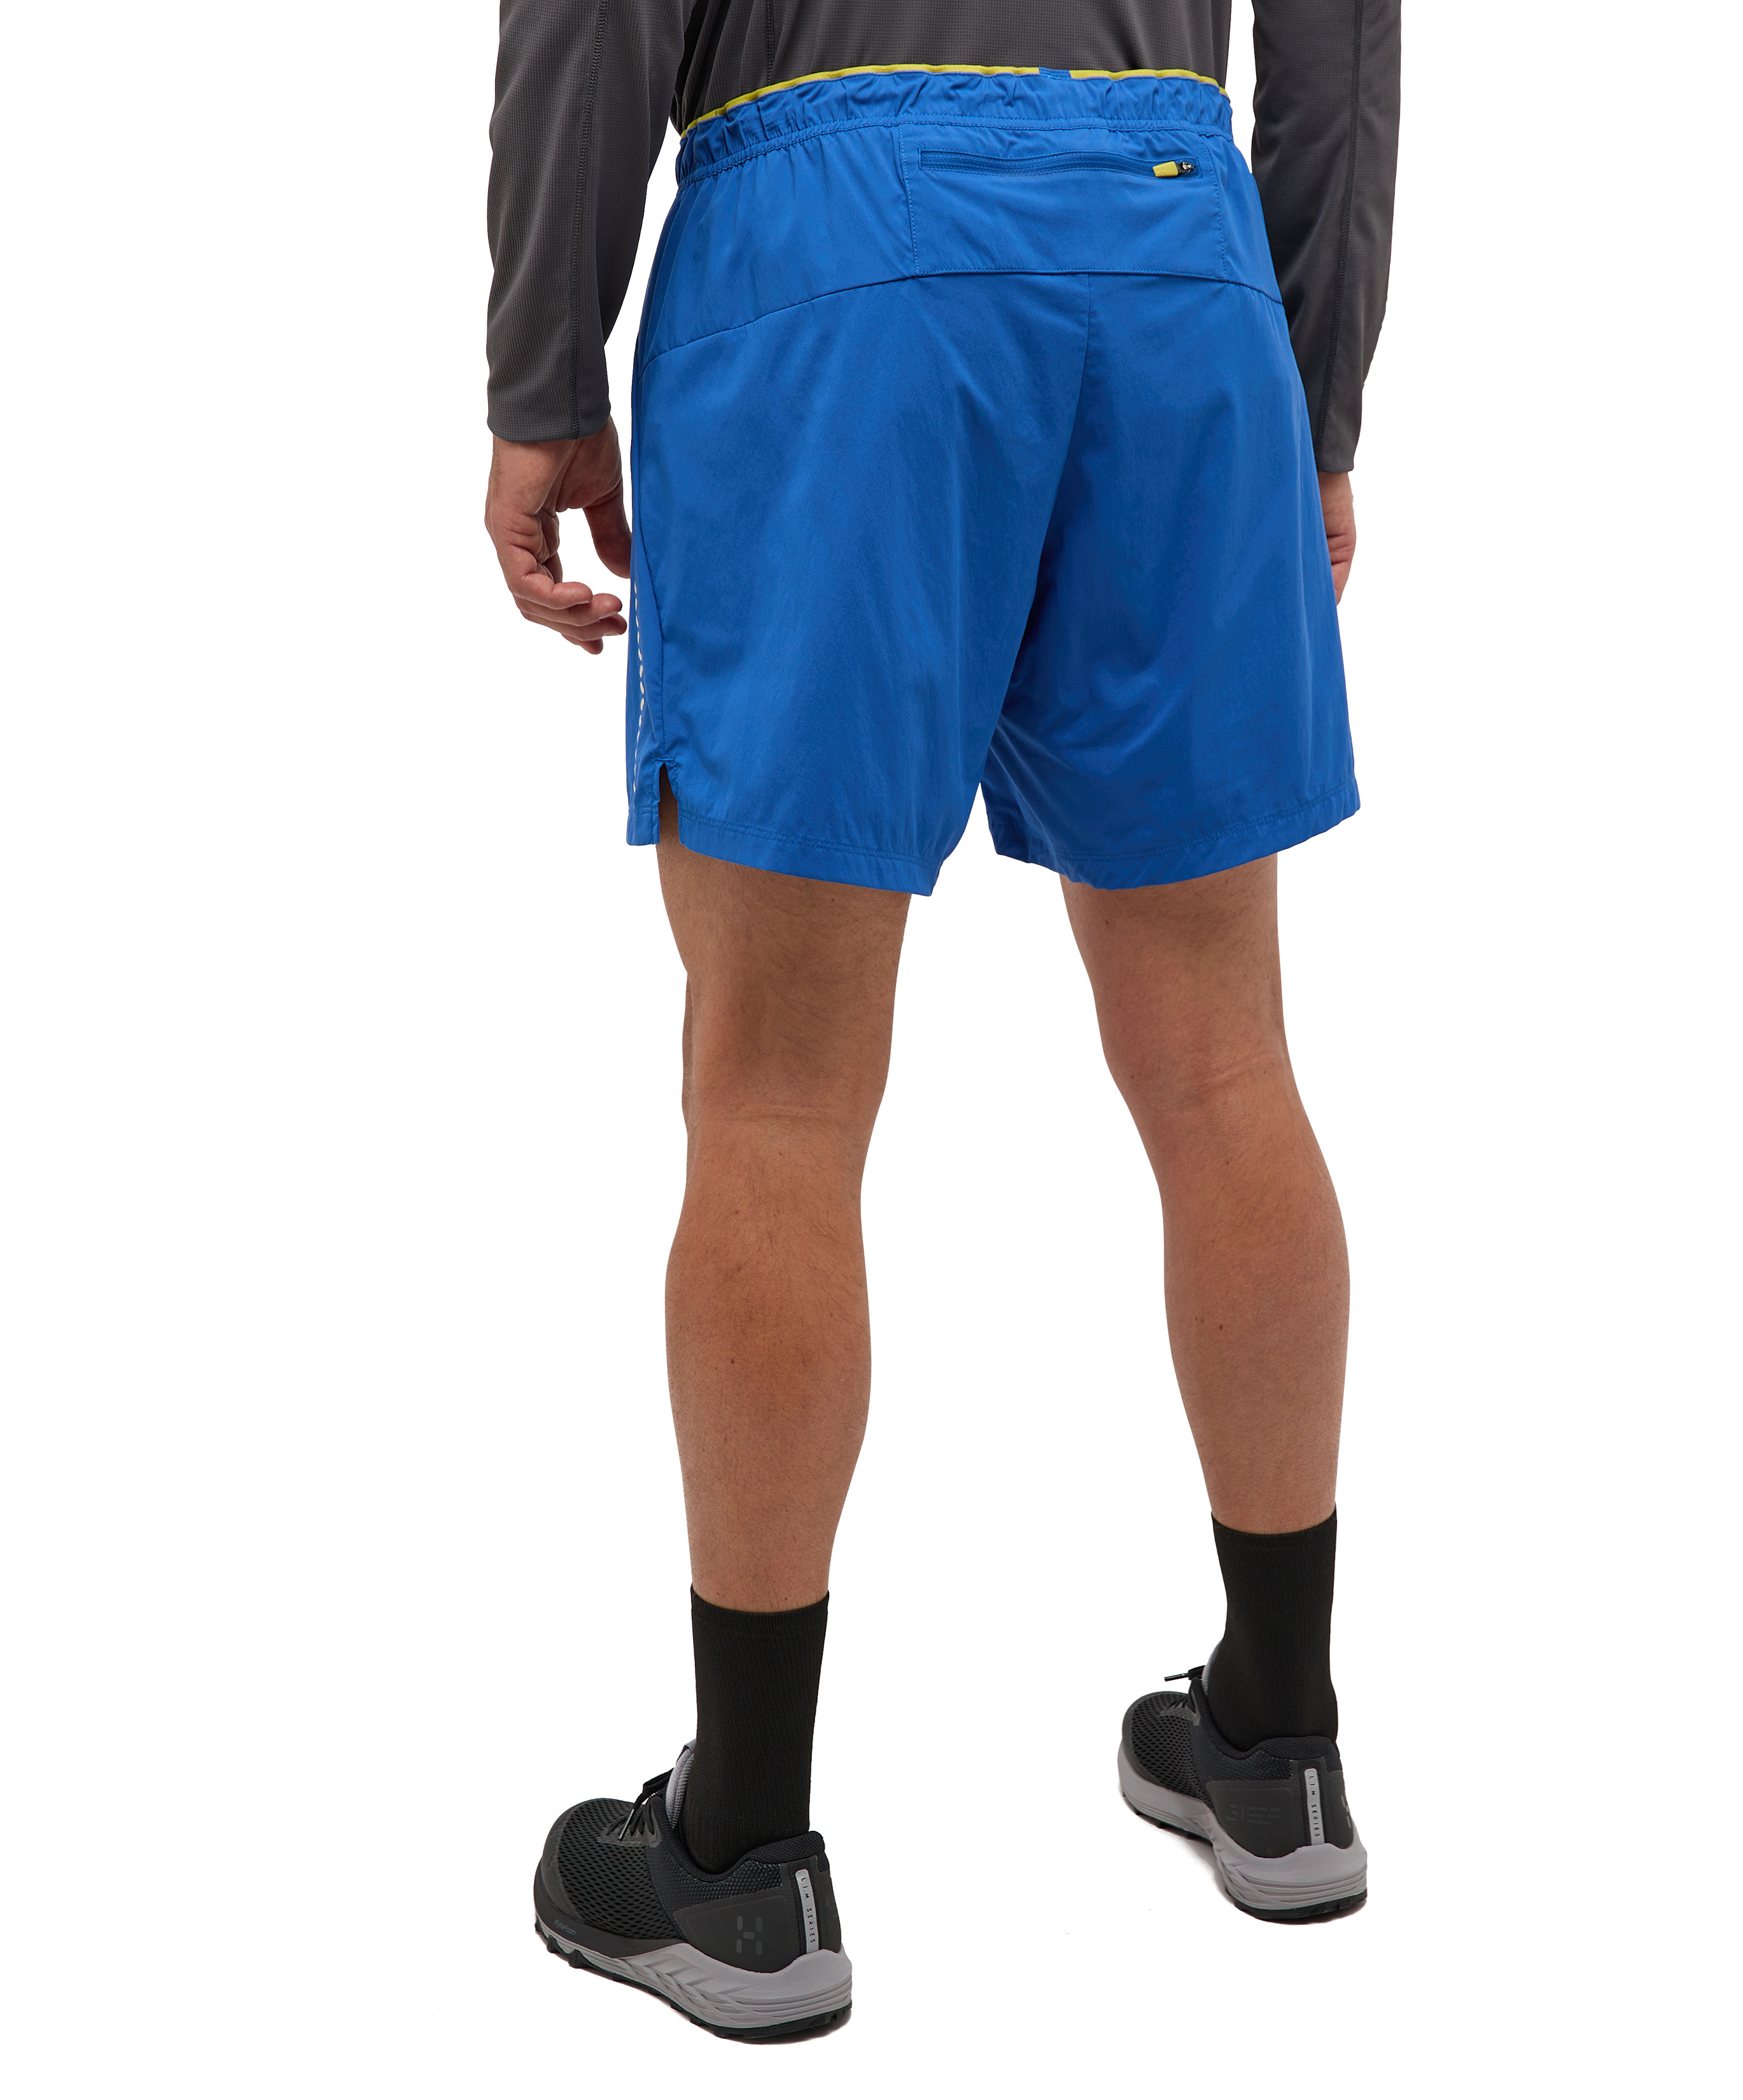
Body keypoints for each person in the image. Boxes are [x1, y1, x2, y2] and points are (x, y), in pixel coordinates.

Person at [486, 0, 1399, 2040]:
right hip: (1170, 246)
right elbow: (1340, 37)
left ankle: (740, 1856)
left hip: (835, 254)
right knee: (1226, 1061)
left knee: (776, 1100)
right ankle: (1278, 1734)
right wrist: (1310, 395)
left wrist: (541, 368)